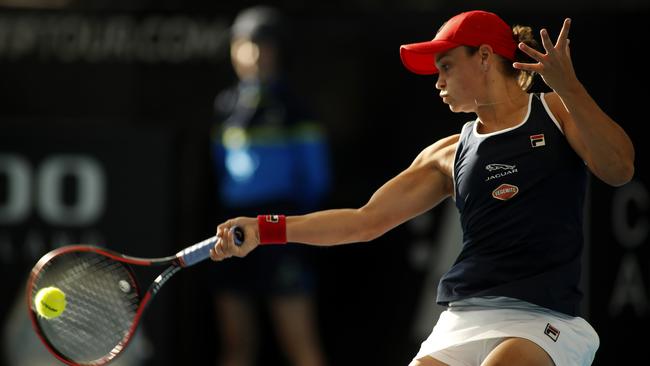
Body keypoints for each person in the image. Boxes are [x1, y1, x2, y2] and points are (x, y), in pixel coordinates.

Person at [210, 10, 635, 366]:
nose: (438, 81)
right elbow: (364, 221)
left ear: (485, 57)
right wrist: (266, 229)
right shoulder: (445, 154)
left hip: (545, 319)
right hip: (463, 318)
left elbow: (619, 169)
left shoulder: (555, 110)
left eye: (446, 66)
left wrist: (571, 88)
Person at [208, 5, 331, 366]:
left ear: (279, 51)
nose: (255, 55)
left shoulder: (296, 107)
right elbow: (220, 168)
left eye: (265, 46)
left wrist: (293, 224)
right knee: (235, 343)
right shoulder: (225, 105)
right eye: (246, 45)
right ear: (233, 49)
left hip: (282, 226)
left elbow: (317, 178)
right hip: (230, 224)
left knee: (299, 342)